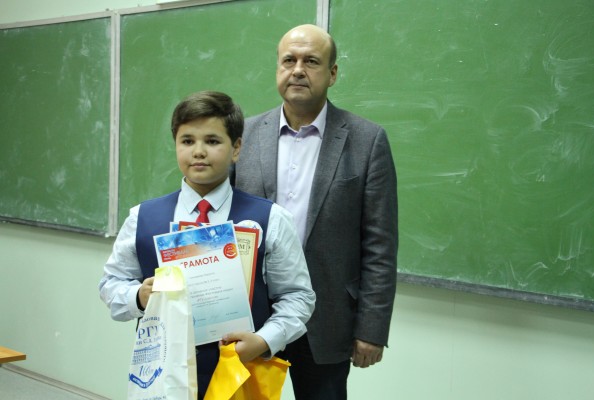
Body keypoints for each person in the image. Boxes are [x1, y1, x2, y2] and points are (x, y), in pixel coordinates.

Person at [99, 90, 315, 398]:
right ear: (176, 145)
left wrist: (264, 340)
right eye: (187, 141)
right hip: (162, 379)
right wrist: (139, 296)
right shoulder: (142, 218)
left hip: (240, 376)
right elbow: (110, 284)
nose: (198, 152)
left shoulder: (271, 219)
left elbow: (298, 297)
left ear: (236, 148)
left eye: (212, 141)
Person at [233, 24, 398, 399]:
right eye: (288, 60)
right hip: (252, 317)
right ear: (277, 68)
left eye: (311, 61)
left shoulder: (367, 140)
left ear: (332, 73)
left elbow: (380, 245)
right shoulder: (244, 135)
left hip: (327, 321)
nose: (297, 70)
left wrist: (371, 329)